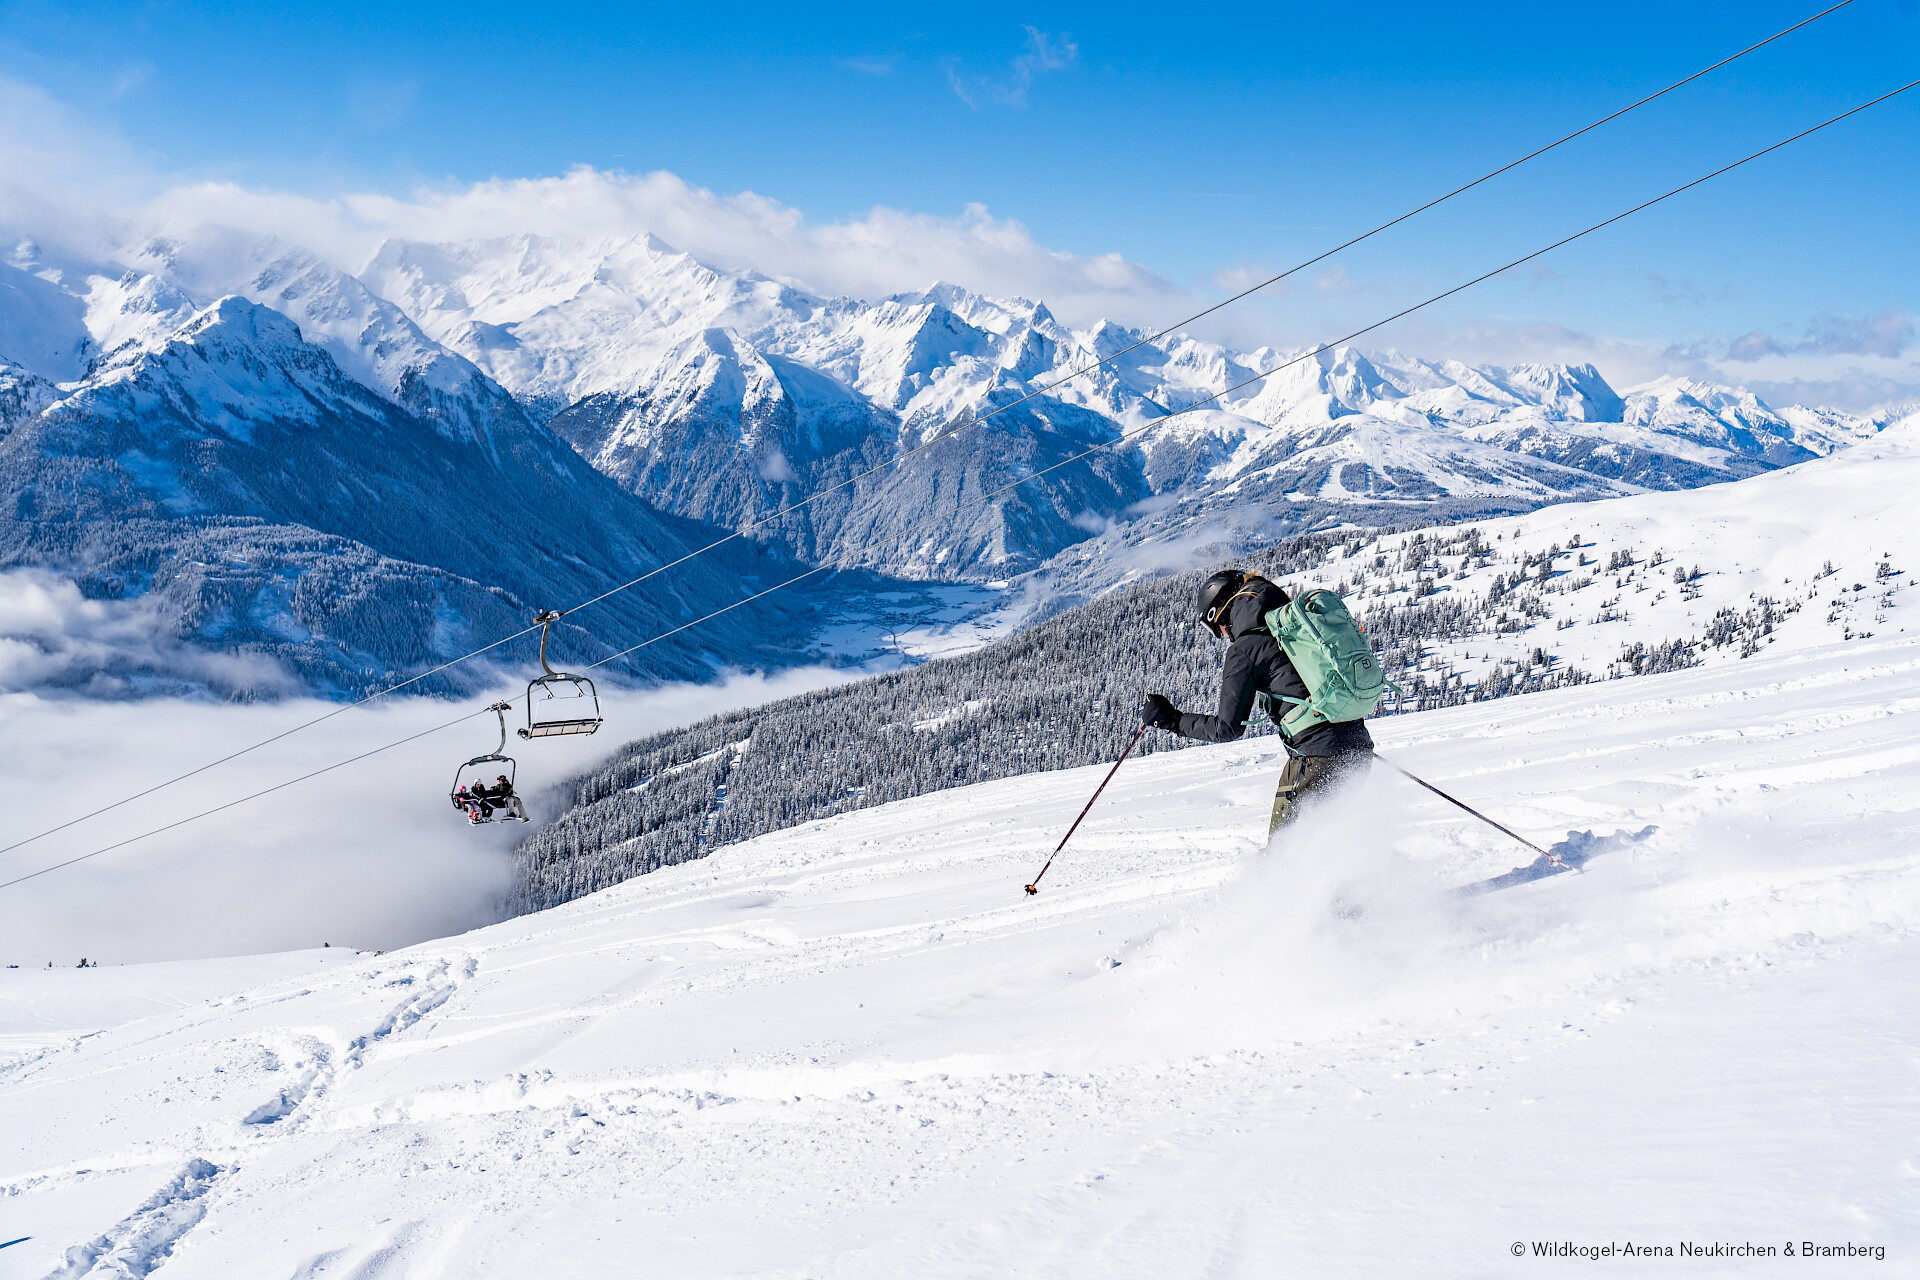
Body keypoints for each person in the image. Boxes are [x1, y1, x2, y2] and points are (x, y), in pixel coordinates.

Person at [1141, 568, 1375, 836]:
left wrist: (1173, 720)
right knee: (1339, 845)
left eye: (1216, 628)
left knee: (1284, 855)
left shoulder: (1246, 648)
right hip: (1358, 746)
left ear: (1221, 614)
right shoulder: (1294, 627)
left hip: (1315, 758)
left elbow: (1226, 728)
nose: (1222, 634)